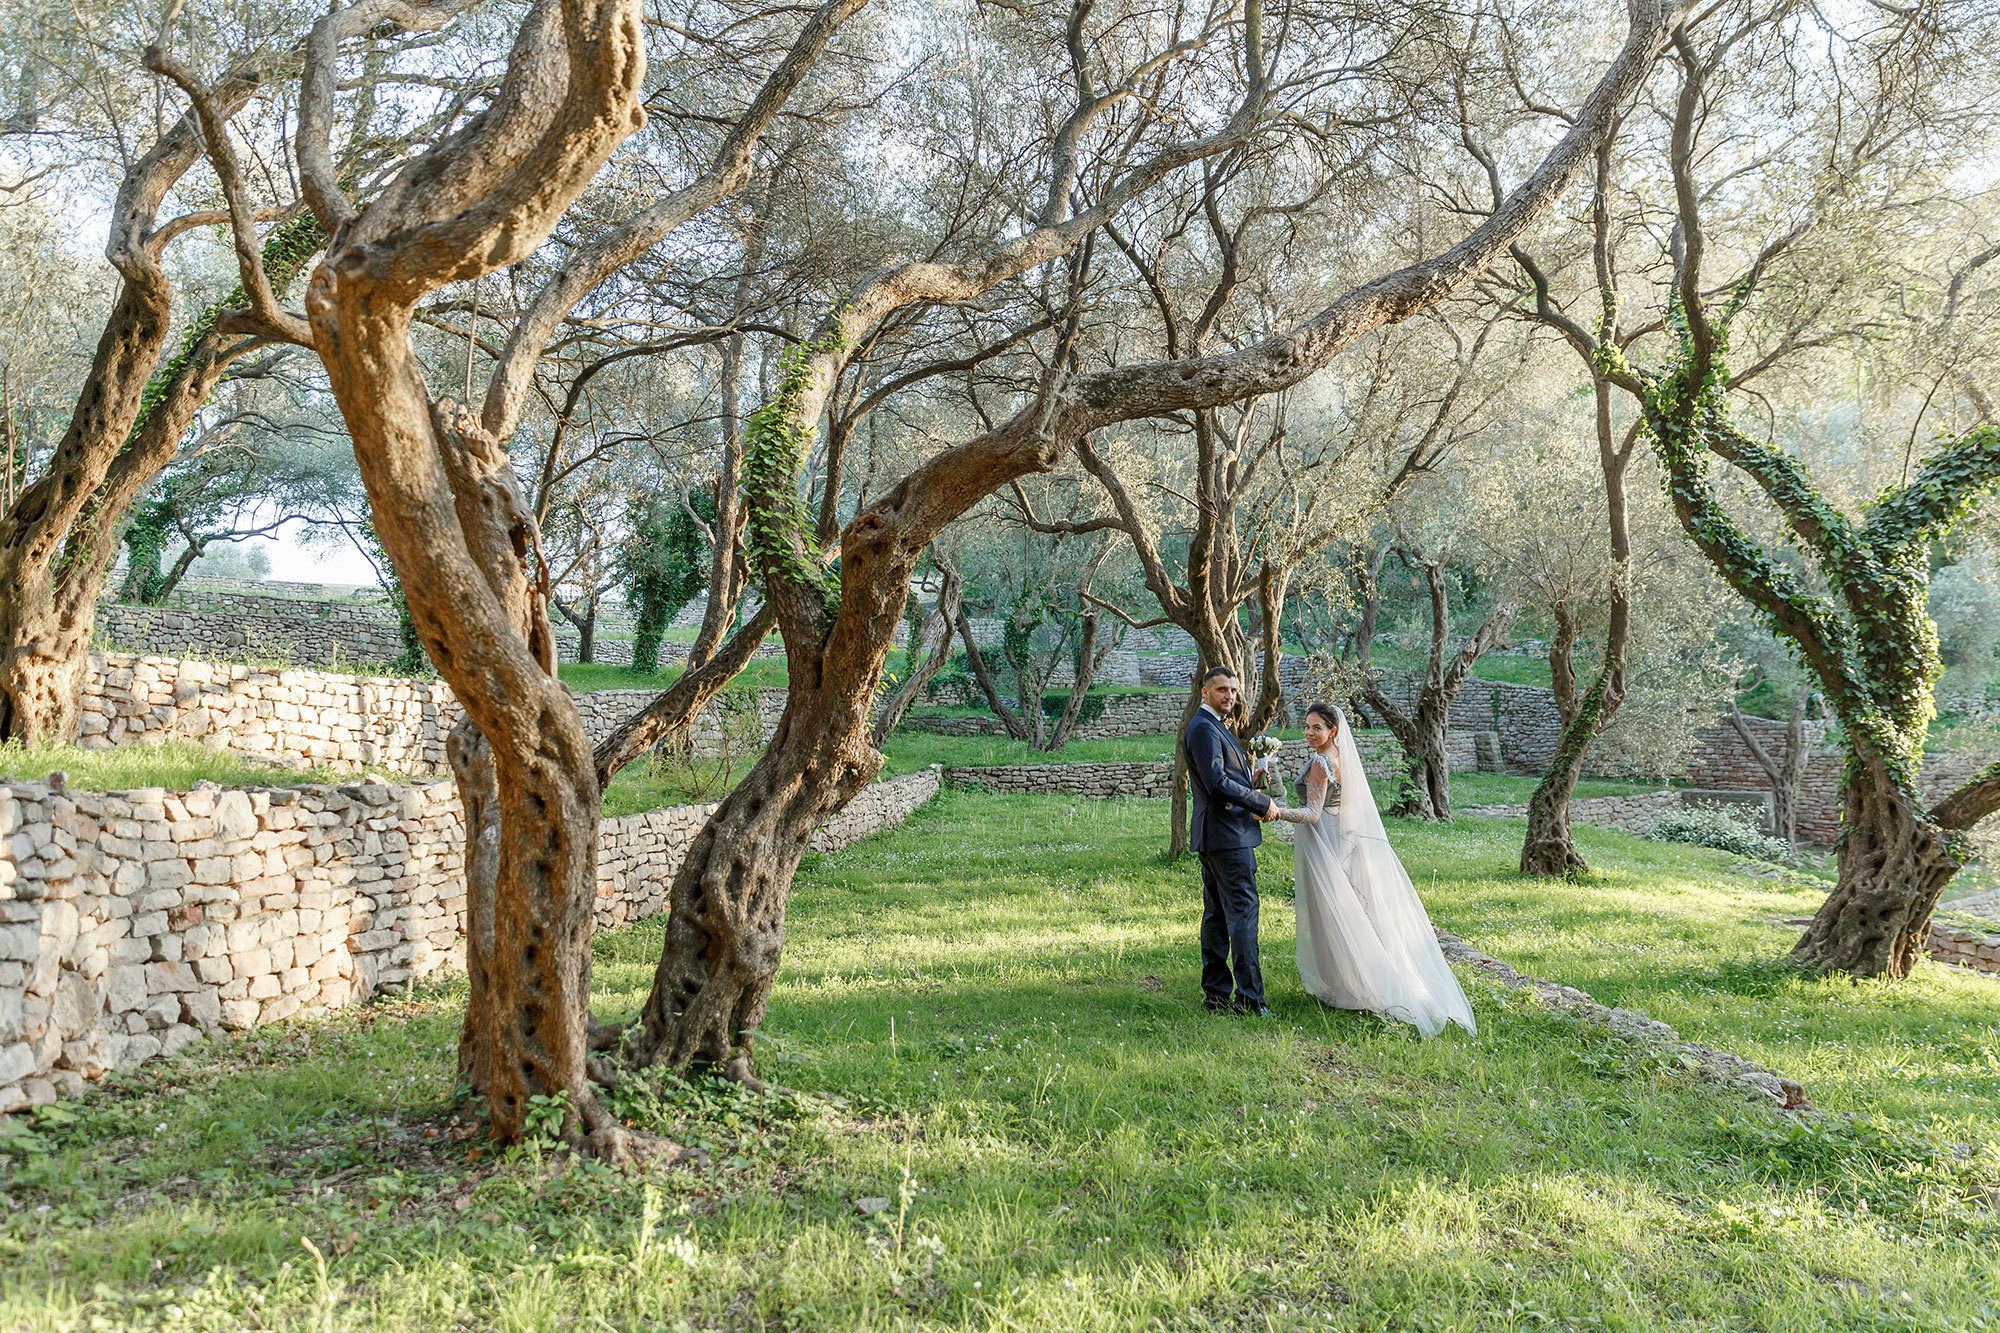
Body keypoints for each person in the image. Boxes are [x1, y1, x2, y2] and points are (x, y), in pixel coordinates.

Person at [1269, 702, 1476, 1038]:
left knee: (1340, 913)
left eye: (1316, 728)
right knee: (1355, 913)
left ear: (1333, 730)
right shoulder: (1341, 755)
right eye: (1306, 726)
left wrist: (1277, 812)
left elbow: (1312, 814)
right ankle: (1353, 984)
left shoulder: (1323, 762)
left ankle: (1361, 987)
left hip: (1328, 842)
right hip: (1344, 837)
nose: (1309, 733)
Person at [1181, 666, 1277, 1015]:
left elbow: (1223, 778)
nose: (1229, 696)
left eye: (1233, 691)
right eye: (1221, 690)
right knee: (1242, 916)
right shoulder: (1204, 728)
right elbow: (1217, 783)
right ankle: (1250, 1001)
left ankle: (1217, 995)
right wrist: (1259, 802)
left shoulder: (1213, 728)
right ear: (1205, 693)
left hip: (1217, 834)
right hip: (1227, 836)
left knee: (1218, 917)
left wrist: (1252, 780)